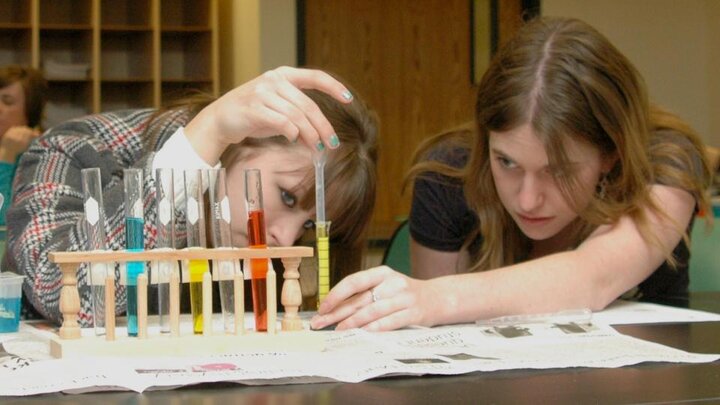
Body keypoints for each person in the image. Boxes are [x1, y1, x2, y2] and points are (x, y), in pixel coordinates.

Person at [310, 17, 713, 332]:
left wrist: (431, 298)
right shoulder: (449, 176)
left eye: (558, 171)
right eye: (506, 162)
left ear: (611, 153)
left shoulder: (668, 163)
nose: (527, 199)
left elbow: (592, 278)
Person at [6, 66, 378, 326]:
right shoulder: (72, 149)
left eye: (309, 224)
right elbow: (61, 295)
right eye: (287, 197)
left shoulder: (269, 251)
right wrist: (204, 138)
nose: (285, 237)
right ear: (246, 135)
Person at [0, 65, 48, 225]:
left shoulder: (44, 154)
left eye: (7, 101)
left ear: (30, 110)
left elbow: (4, 223)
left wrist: (6, 158)